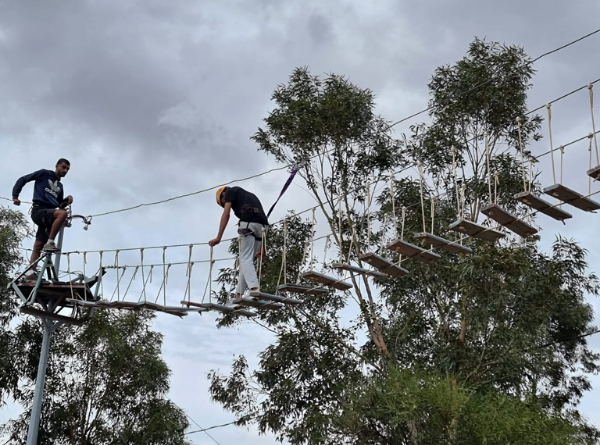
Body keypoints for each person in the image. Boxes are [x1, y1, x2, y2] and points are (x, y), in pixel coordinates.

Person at [12, 159, 74, 278]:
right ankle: (50, 242)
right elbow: (23, 179)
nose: (65, 170)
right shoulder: (44, 174)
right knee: (62, 214)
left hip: (49, 215)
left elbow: (59, 204)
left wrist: (66, 200)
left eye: (67, 169)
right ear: (57, 166)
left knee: (39, 245)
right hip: (39, 210)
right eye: (63, 167)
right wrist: (15, 196)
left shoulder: (60, 186)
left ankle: (30, 272)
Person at [209, 186, 268, 299]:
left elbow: (226, 214)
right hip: (262, 226)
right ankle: (238, 294)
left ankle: (254, 288)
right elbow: (261, 219)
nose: (226, 205)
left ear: (222, 195)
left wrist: (218, 237)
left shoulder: (229, 192)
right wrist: (263, 247)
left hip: (248, 223)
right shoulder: (248, 195)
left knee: (245, 259)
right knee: (247, 261)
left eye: (224, 203)